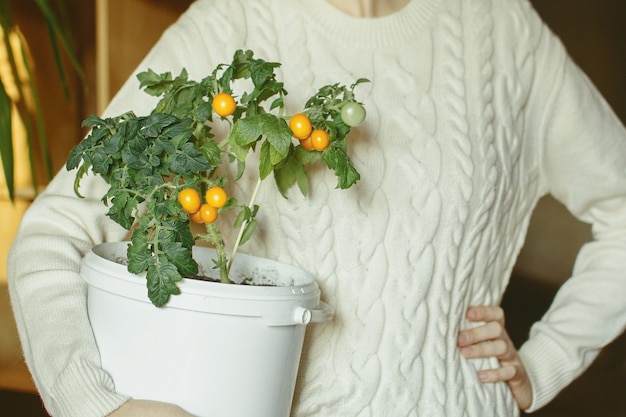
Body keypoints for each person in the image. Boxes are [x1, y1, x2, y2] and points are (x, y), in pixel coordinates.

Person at [7, 0, 626, 416]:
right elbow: (55, 231)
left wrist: (543, 364)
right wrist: (96, 405)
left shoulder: (504, 29)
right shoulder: (236, 22)